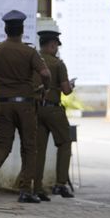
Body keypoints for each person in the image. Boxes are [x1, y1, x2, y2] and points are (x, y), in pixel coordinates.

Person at [0, 10, 50, 203]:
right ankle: (26, 191)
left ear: (5, 29)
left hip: (2, 104)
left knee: (2, 144)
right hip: (25, 105)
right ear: (22, 30)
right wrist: (45, 88)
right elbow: (45, 74)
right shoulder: (29, 52)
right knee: (29, 147)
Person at [32, 30, 75, 201]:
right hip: (53, 110)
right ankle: (60, 184)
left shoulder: (33, 60)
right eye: (56, 45)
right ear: (52, 45)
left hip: (36, 108)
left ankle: (37, 187)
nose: (57, 48)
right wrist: (71, 85)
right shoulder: (58, 64)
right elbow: (65, 90)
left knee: (39, 149)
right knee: (65, 143)